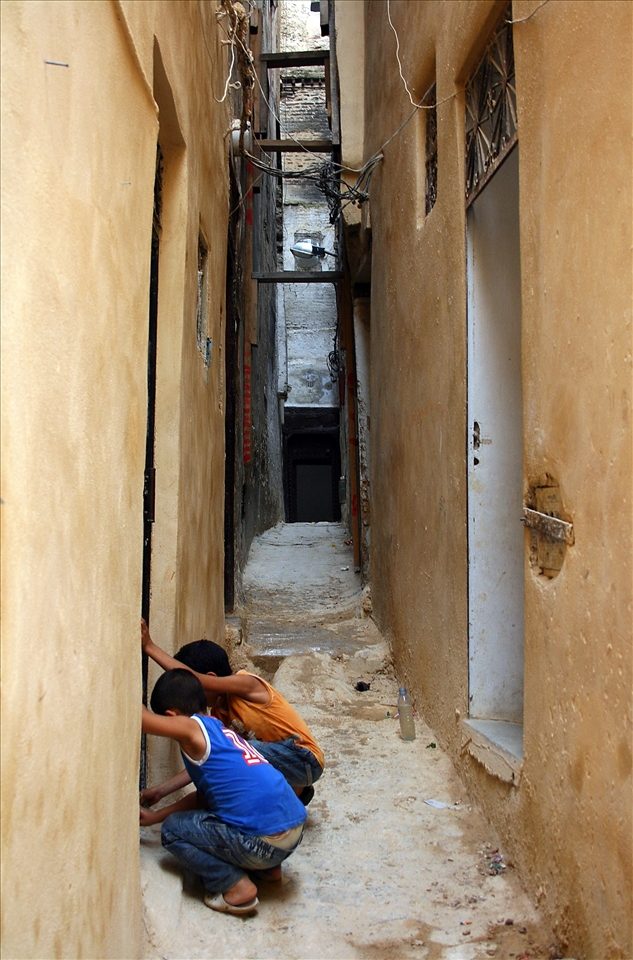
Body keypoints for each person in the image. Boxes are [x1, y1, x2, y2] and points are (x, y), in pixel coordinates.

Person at [140, 668, 307, 916]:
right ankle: (268, 870)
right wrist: (156, 811)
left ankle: (233, 885)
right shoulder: (219, 729)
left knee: (173, 831)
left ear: (170, 716)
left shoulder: (190, 729)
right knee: (219, 814)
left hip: (264, 842)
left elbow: (141, 719)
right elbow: (205, 798)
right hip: (293, 831)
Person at [141, 619, 323, 808]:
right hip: (284, 769)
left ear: (209, 679)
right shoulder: (219, 716)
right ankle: (291, 795)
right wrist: (160, 790)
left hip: (304, 759)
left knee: (238, 753)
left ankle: (293, 790)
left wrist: (150, 647)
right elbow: (206, 757)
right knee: (225, 761)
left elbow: (196, 679)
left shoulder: (247, 685)